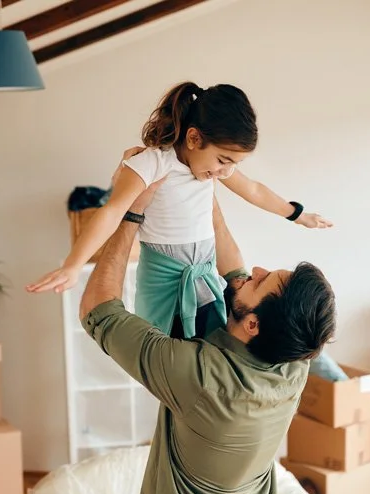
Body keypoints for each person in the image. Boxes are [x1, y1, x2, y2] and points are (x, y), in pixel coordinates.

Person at [77, 162, 337, 494]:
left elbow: (97, 306)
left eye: (265, 281)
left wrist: (133, 213)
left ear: (254, 324)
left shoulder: (196, 375)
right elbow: (236, 268)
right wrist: (203, 194)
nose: (255, 270)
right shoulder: (292, 363)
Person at [27, 81, 333, 341]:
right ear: (193, 138)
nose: (226, 171)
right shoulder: (152, 163)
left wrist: (297, 214)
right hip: (165, 278)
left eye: (234, 165)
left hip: (205, 272)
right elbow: (111, 212)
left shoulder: (212, 170)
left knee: (213, 344)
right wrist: (72, 265)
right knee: (168, 348)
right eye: (223, 160)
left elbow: (254, 190)